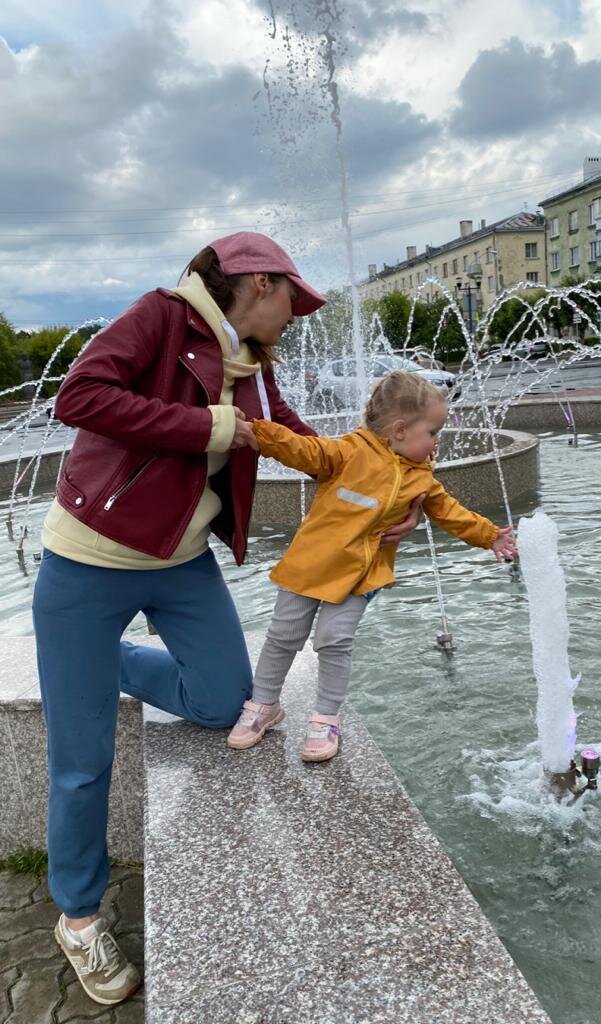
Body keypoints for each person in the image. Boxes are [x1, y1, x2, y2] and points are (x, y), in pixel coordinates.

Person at [32, 232, 422, 1006]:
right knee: (82, 761)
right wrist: (209, 428)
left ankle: (92, 661)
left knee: (223, 701)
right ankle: (77, 919)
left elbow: (309, 445)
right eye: (292, 301)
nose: (297, 317)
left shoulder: (253, 367)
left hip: (180, 562)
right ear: (258, 282)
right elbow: (76, 398)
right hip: (90, 558)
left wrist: (381, 494)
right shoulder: (160, 317)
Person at [227, 370, 517, 761]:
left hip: (361, 574)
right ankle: (264, 705)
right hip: (310, 564)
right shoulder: (349, 452)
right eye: (432, 431)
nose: (437, 441)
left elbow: (451, 512)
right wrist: (258, 432)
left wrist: (489, 535)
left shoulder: (421, 477)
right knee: (283, 634)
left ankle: (326, 717)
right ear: (400, 429)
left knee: (334, 639)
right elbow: (303, 449)